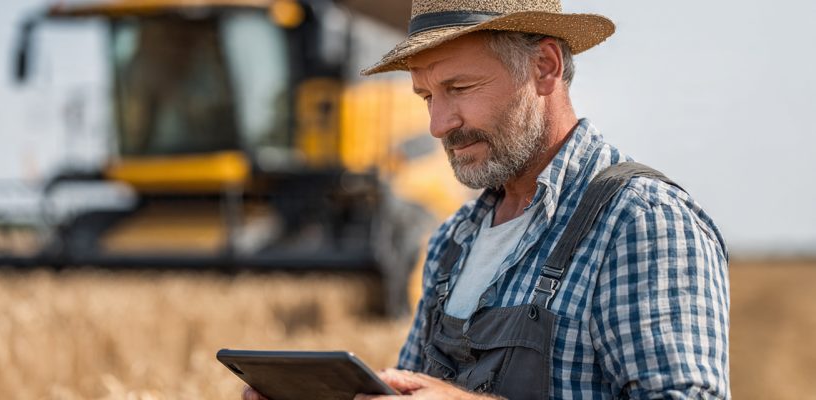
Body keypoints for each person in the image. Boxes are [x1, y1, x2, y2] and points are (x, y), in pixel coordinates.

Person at [244, 0, 729, 398]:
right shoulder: (452, 241)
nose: (439, 125)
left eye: (460, 88)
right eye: (428, 97)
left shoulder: (640, 222)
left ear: (545, 67)